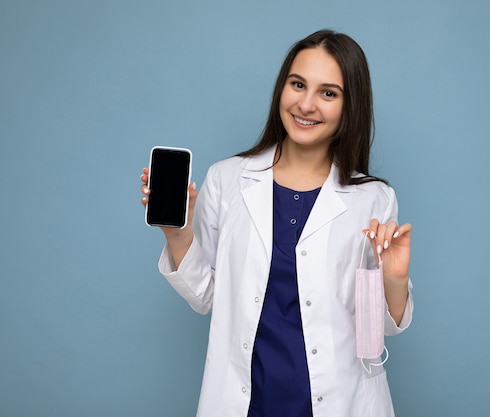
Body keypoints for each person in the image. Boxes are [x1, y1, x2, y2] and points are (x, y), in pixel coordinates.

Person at [140, 29, 413, 417]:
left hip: (339, 402)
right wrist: (178, 232)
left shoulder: (373, 198)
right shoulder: (228, 179)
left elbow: (377, 332)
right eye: (297, 84)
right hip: (247, 401)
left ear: (350, 105)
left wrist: (394, 281)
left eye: (328, 93)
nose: (306, 104)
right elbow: (205, 297)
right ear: (281, 88)